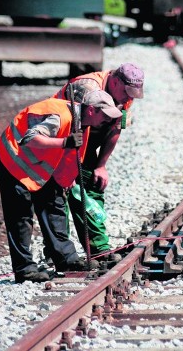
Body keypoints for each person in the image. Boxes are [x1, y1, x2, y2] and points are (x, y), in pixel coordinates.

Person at [0, 90, 123, 283]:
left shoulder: (83, 123)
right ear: (90, 111)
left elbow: (71, 154)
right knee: (20, 214)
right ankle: (24, 269)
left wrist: (65, 177)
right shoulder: (61, 117)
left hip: (40, 163)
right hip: (14, 158)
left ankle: (66, 259)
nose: (106, 120)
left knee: (54, 204)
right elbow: (30, 139)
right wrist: (65, 142)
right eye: (104, 115)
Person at [54, 63, 144, 262]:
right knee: (59, 195)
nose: (129, 98)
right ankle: (60, 254)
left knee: (92, 188)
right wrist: (68, 171)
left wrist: (101, 165)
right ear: (114, 81)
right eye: (127, 92)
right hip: (62, 140)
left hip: (87, 141)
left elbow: (115, 128)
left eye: (133, 94)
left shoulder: (125, 96)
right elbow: (74, 128)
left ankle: (98, 249)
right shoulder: (86, 89)